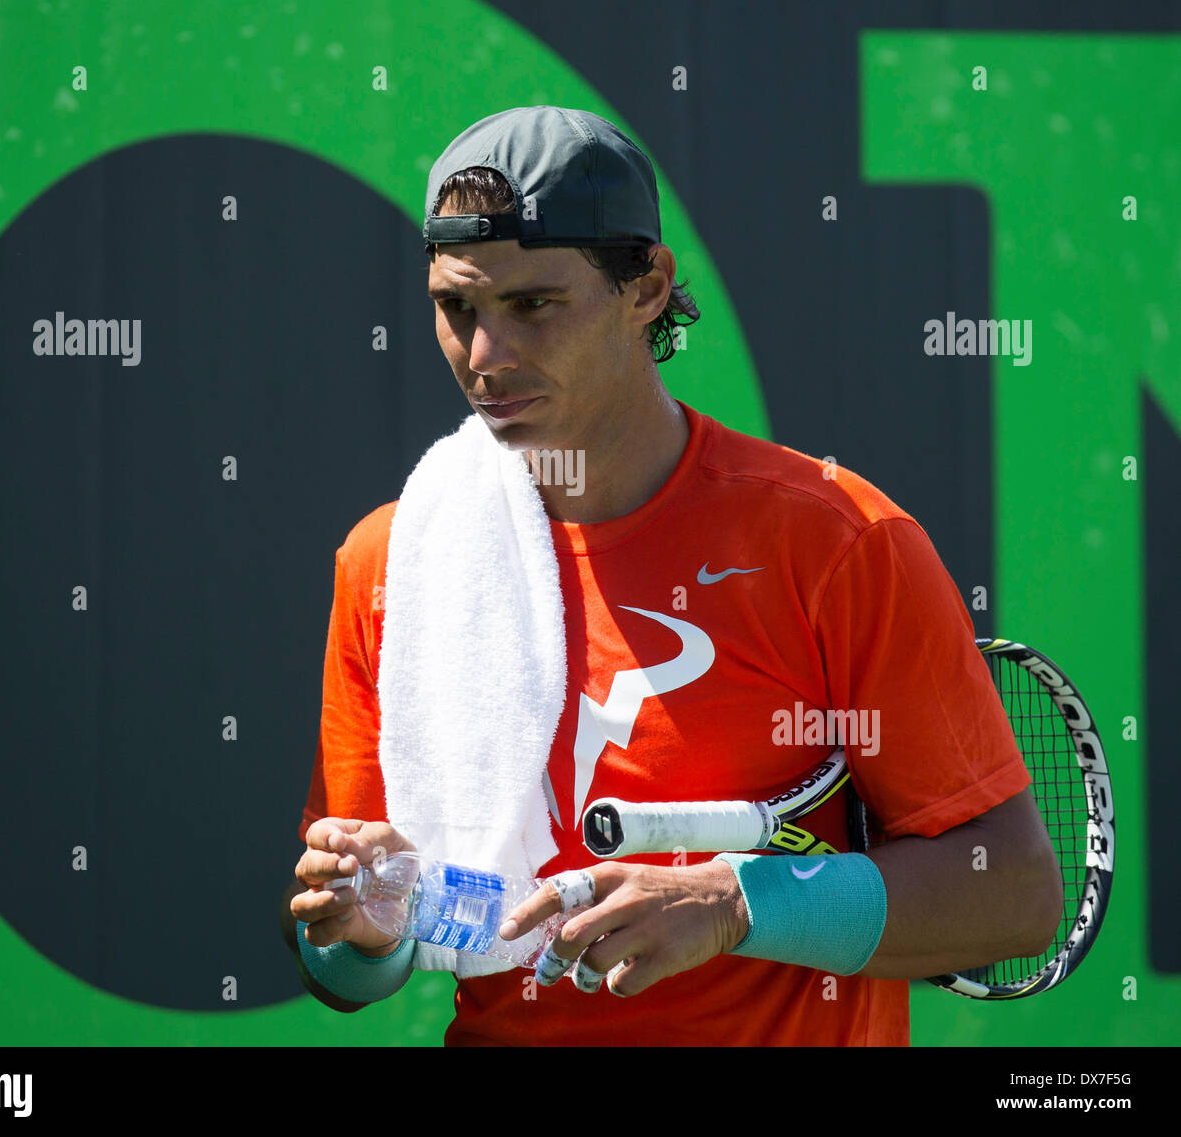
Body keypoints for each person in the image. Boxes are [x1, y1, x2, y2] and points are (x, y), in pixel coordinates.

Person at [280, 105, 1062, 1046]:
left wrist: (734, 904)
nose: (484, 357)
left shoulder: (840, 539)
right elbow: (356, 969)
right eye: (458, 308)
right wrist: (360, 934)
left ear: (647, 288)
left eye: (532, 305)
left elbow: (1013, 893)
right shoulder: (392, 563)